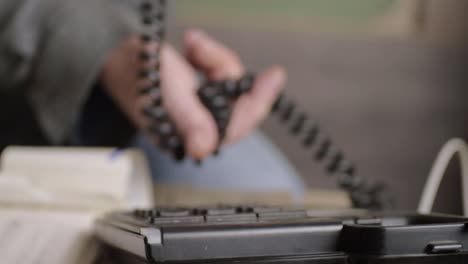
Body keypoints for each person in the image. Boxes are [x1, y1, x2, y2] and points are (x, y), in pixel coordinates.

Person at [0, 0, 305, 198]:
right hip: (25, 86)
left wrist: (138, 62)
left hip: (110, 96)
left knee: (269, 194)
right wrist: (96, 43)